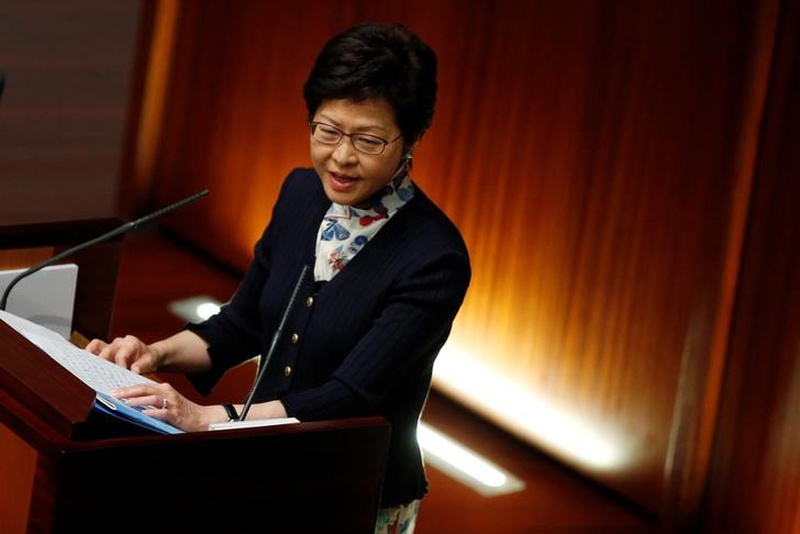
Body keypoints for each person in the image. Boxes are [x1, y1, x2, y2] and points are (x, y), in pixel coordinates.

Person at [87, 22, 470, 533]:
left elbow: (352, 395)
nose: (341, 156)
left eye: (368, 140)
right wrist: (153, 355)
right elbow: (241, 324)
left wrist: (208, 418)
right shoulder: (300, 194)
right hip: (263, 465)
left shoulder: (433, 255)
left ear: (411, 139)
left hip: (357, 491)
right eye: (327, 130)